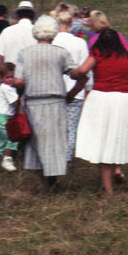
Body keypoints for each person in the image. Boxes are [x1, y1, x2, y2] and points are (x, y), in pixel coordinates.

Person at [11, 14, 80, 190]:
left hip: (33, 103)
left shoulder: (24, 54)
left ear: (36, 33)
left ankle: (42, 185)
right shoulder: (61, 53)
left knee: (35, 143)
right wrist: (72, 94)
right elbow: (78, 75)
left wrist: (21, 90)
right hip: (56, 103)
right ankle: (53, 178)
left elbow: (18, 81)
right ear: (53, 33)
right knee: (55, 142)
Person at [71, 28, 128, 196]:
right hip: (122, 99)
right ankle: (117, 168)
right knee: (116, 136)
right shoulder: (126, 56)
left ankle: (108, 191)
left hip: (101, 98)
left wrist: (72, 74)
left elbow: (82, 70)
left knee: (102, 140)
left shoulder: (97, 53)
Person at [52, 11, 90, 162]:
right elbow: (86, 68)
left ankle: (54, 157)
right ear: (70, 25)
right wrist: (88, 89)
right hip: (76, 90)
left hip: (54, 90)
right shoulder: (80, 43)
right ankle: (66, 159)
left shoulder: (51, 43)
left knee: (55, 127)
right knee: (71, 128)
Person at [0, 1, 38, 92]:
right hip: (33, 80)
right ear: (32, 16)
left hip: (11, 79)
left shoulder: (7, 31)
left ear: (18, 16)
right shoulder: (38, 32)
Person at [0, 62, 19, 173]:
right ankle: (7, 160)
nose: (10, 79)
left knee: (1, 143)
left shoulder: (5, 87)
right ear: (1, 78)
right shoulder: (6, 88)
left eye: (12, 77)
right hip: (3, 118)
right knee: (13, 137)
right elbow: (16, 101)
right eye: (7, 77)